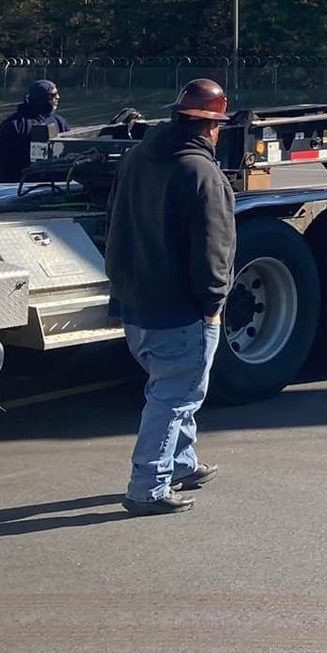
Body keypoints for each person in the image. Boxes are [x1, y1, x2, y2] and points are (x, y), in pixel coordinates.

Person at [104, 78, 237, 515]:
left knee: (173, 388)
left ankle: (181, 463)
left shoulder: (137, 158)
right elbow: (214, 249)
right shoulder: (202, 174)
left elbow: (114, 223)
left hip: (136, 305)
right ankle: (148, 486)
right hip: (180, 310)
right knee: (175, 396)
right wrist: (214, 305)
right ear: (211, 127)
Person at [0, 79, 69, 183]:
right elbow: (1, 161)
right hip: (21, 187)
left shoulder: (60, 122)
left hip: (56, 188)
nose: (57, 97)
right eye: (53, 95)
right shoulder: (14, 124)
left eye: (57, 94)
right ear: (41, 98)